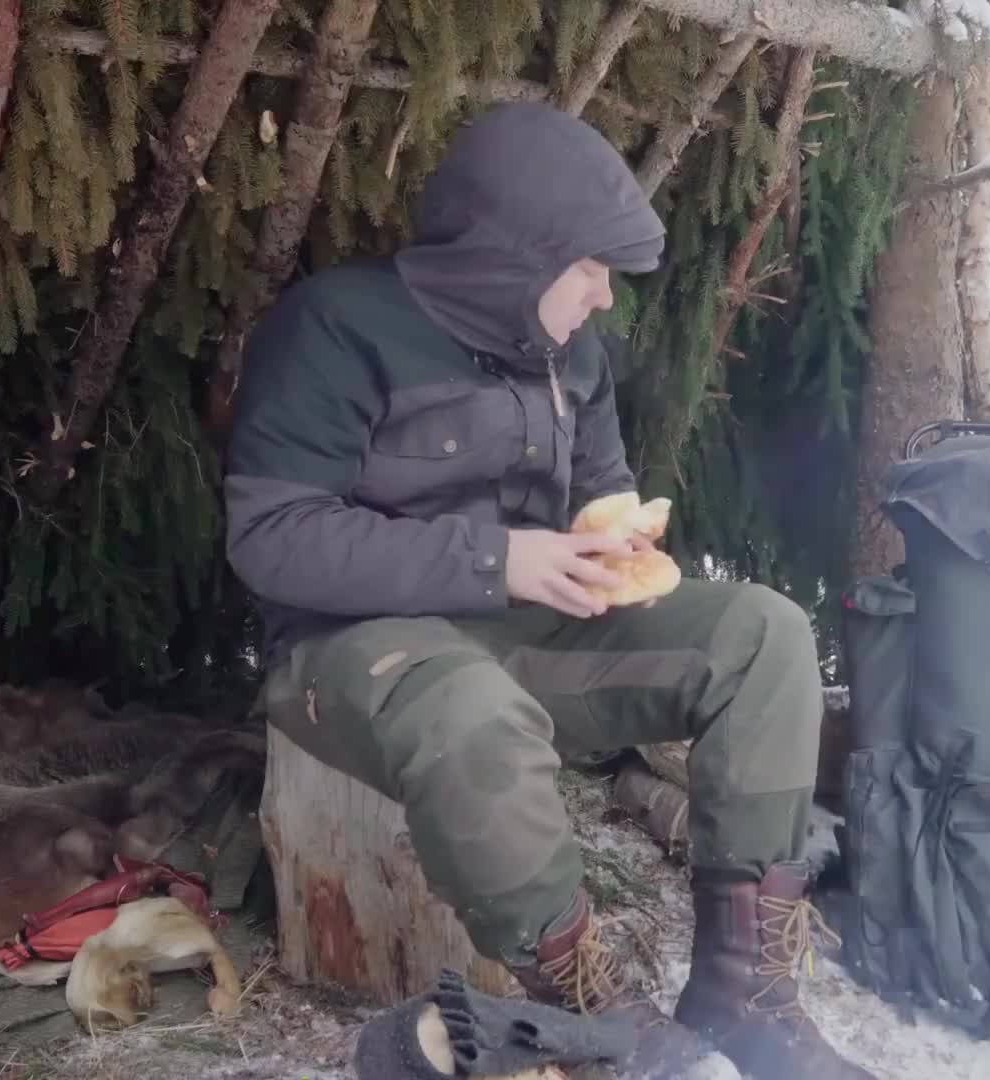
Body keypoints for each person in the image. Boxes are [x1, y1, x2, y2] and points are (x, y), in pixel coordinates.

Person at [224, 102, 872, 1079]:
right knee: (469, 708)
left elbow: (599, 486)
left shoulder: (572, 353)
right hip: (352, 647)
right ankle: (586, 1013)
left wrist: (615, 536)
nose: (605, 298)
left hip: (526, 628)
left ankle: (748, 995)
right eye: (589, 270)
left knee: (764, 632)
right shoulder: (333, 329)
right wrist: (499, 559)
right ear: (510, 259)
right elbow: (271, 540)